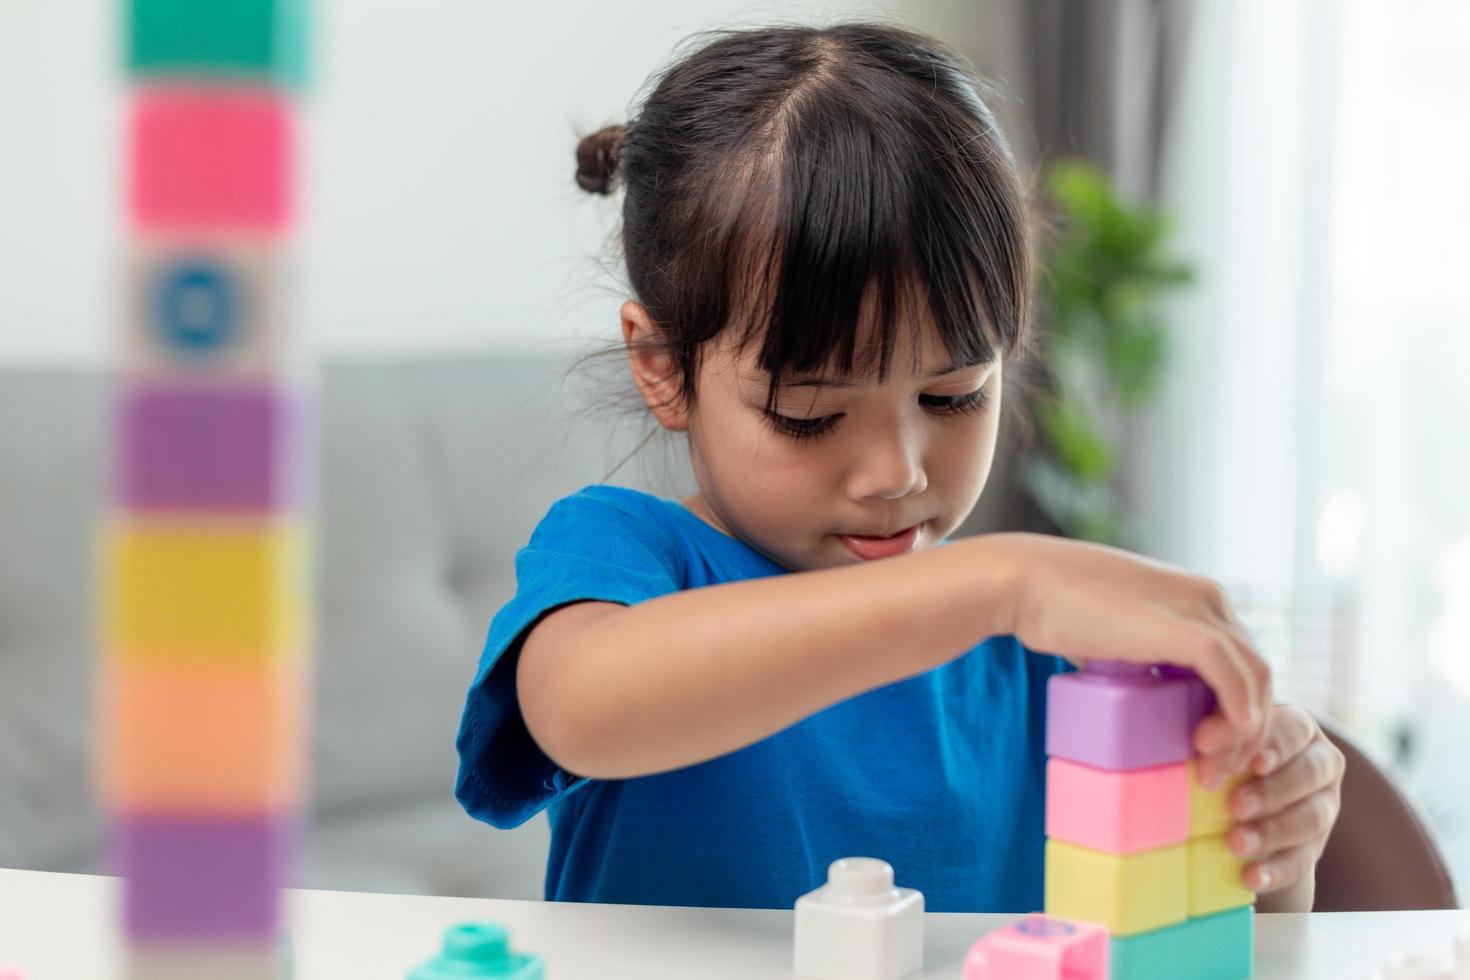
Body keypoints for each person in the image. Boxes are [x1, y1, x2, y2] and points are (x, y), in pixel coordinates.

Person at [454, 22, 1343, 913]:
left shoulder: (1043, 657)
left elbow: (1217, 941)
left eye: (953, 396)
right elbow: (580, 709)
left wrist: (1270, 842)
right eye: (811, 413)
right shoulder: (629, 555)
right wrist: (1001, 583)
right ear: (662, 367)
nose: (895, 473)